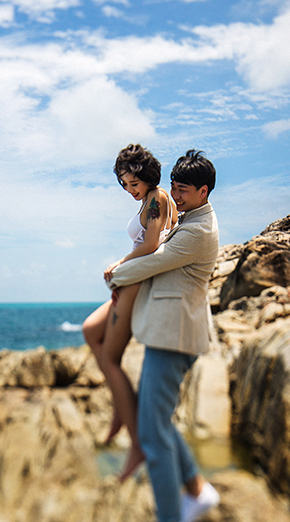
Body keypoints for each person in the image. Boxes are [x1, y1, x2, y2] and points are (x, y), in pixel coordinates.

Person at [106, 149, 221, 522]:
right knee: (158, 421)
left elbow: (155, 261)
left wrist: (115, 276)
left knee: (152, 434)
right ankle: (197, 491)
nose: (176, 194)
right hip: (169, 332)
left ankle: (170, 516)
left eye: (184, 189)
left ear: (204, 191)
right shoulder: (189, 219)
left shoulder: (199, 230)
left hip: (175, 337)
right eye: (174, 186)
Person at [82, 143, 177, 481]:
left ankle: (137, 445)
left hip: (138, 281)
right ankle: (120, 411)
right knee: (90, 331)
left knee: (110, 359)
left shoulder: (157, 198)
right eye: (124, 184)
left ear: (147, 175)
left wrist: (119, 264)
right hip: (131, 279)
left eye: (133, 183)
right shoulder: (149, 200)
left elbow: (150, 245)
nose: (129, 189)